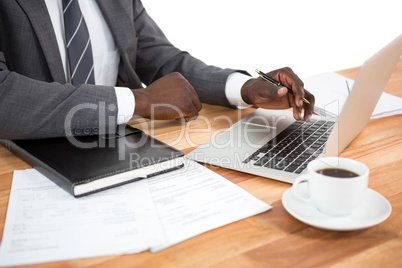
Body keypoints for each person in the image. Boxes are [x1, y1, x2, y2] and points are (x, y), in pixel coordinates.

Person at [0, 0, 314, 140]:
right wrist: (139, 101)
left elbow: (158, 58)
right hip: (28, 163)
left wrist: (242, 88)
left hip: (120, 145)